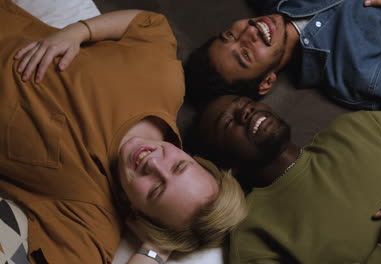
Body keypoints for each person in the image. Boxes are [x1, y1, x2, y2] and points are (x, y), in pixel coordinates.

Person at [0, 1, 246, 263]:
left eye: (155, 190)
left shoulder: (90, 213)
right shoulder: (163, 83)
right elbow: (149, 23)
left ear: (137, 213)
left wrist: (154, 248)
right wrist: (79, 31)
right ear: (194, 159)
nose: (153, 163)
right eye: (178, 167)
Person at [194, 95, 381, 263]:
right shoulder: (252, 234)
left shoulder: (357, 127)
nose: (246, 111)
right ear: (226, 164)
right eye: (227, 122)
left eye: (246, 102)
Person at [185, 0, 381, 111]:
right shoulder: (353, 72)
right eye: (245, 55)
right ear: (266, 82)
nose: (249, 33)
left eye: (230, 35)